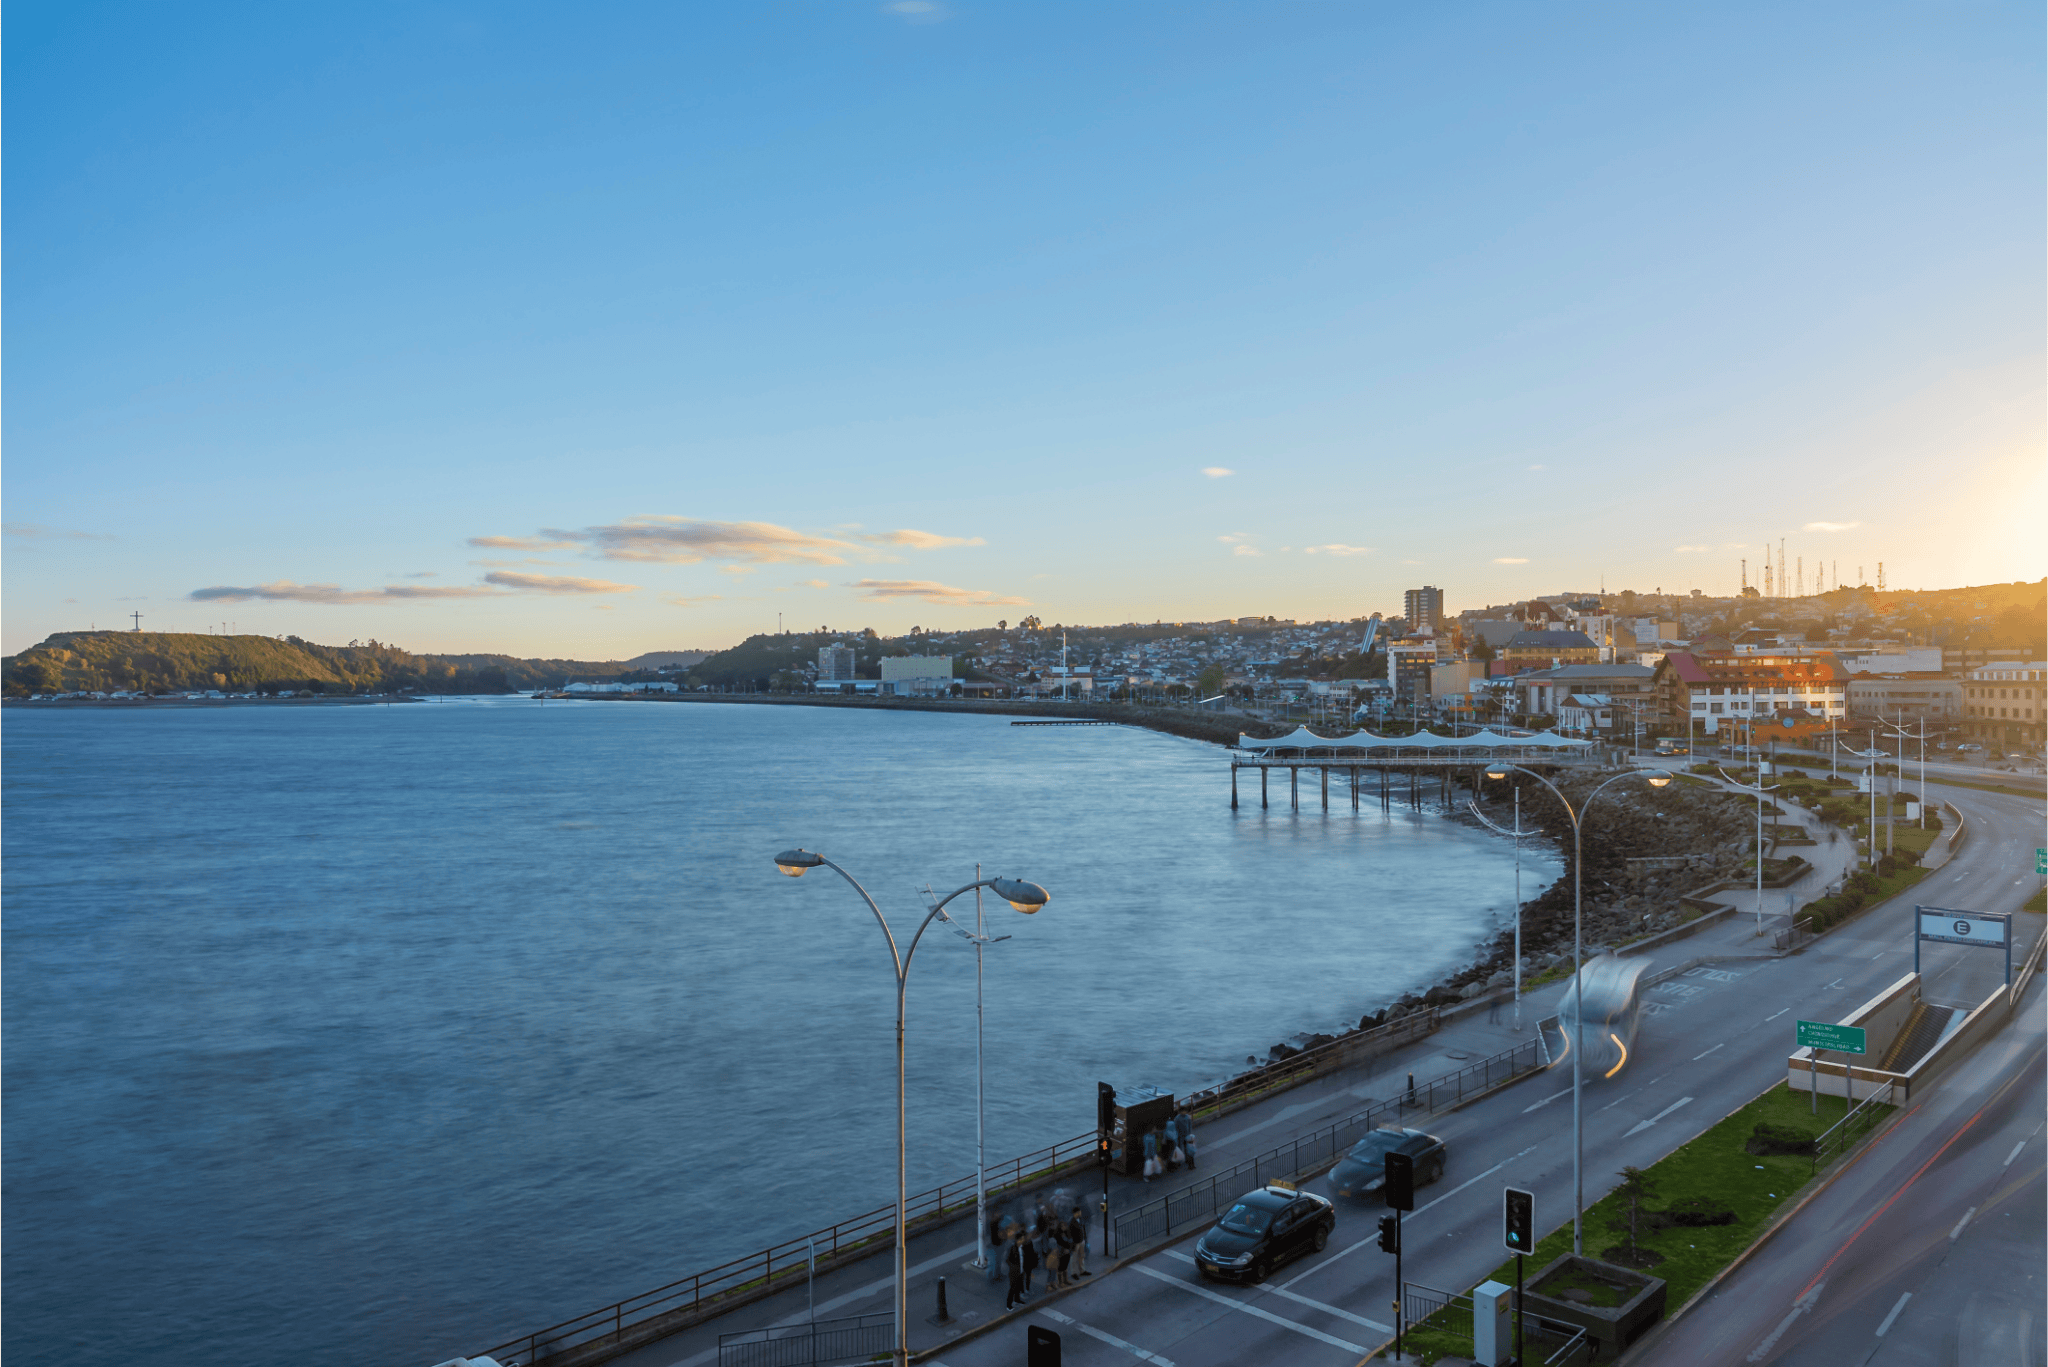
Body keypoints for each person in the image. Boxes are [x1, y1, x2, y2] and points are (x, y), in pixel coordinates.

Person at [1003, 1235, 1027, 1311]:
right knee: (1012, 1288)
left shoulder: (1022, 1247)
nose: (1022, 1240)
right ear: (1016, 1240)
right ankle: (1009, 1305)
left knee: (1019, 1287)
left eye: (1023, 1239)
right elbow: (1007, 1259)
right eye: (1020, 1239)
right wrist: (1013, 1267)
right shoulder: (1012, 1248)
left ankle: (1017, 1300)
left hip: (1021, 1271)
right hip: (1014, 1272)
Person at [1067, 1207, 1091, 1278]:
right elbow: (1069, 1234)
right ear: (1075, 1213)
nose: (1080, 1213)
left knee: (1081, 1256)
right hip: (1075, 1243)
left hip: (1081, 1241)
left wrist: (1085, 1240)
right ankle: (1073, 1273)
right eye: (1079, 1212)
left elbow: (1083, 1230)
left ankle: (1082, 1271)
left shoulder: (1080, 1219)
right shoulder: (1071, 1222)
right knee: (1074, 1258)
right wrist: (1072, 1244)